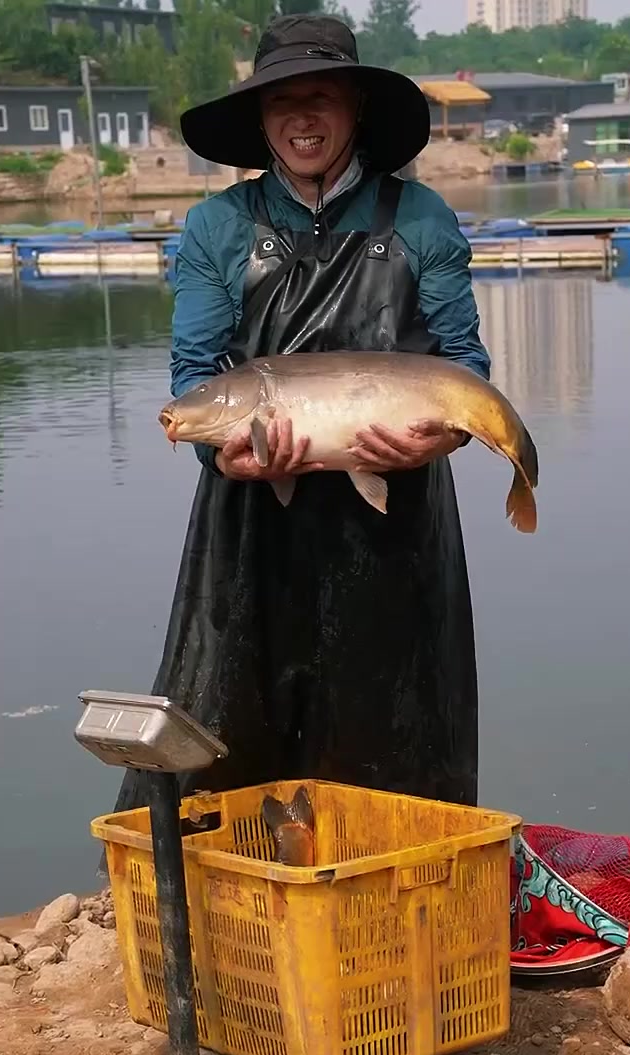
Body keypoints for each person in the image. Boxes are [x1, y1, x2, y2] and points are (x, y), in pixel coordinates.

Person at [115, 13, 490, 819]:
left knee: (398, 727)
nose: (302, 118)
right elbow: (193, 373)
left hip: (396, 523)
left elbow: (464, 369)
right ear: (260, 118)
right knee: (235, 726)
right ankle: (234, 900)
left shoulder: (420, 217)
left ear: (355, 107)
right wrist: (224, 457)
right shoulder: (216, 226)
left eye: (321, 96)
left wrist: (437, 439)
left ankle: (394, 895)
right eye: (282, 101)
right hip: (253, 518)